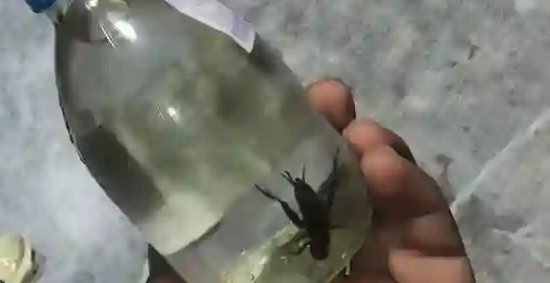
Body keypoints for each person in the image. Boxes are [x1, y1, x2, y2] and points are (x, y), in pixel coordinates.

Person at [151, 79, 476, 283]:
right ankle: (320, 169)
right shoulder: (321, 231)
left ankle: (317, 171)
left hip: (310, 203)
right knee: (365, 163)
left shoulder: (325, 230)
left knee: (371, 164)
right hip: (310, 203)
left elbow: (306, 234)